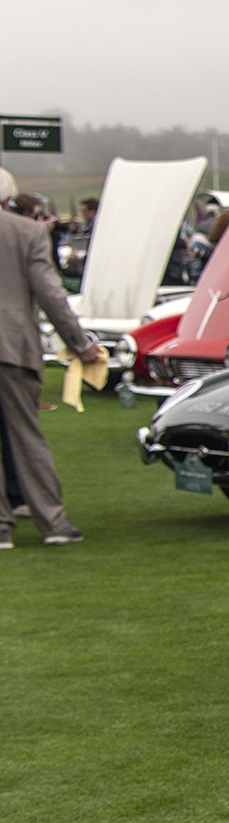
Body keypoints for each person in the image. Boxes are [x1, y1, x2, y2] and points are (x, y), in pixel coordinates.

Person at [0, 169, 104, 549]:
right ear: (9, 197)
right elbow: (50, 296)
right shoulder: (27, 232)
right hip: (12, 347)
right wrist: (80, 344)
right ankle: (54, 523)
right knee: (27, 437)